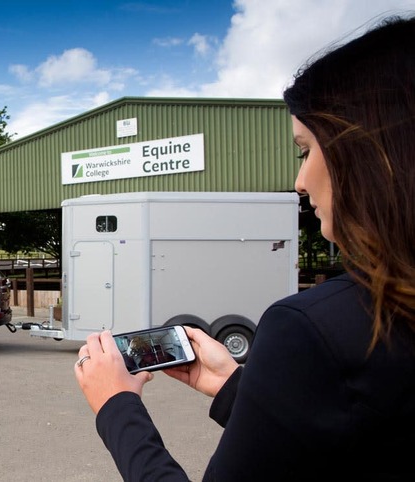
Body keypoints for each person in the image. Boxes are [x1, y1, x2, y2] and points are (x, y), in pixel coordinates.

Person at [74, 15, 415, 481]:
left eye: (306, 150)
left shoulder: (312, 331)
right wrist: (235, 386)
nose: (299, 182)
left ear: (369, 155)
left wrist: (116, 406)